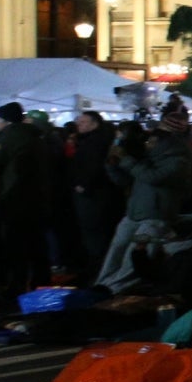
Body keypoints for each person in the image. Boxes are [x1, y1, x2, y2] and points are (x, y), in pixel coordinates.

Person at [98, 107, 192, 290]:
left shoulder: (179, 157)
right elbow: (127, 180)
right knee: (115, 254)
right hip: (135, 211)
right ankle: (101, 287)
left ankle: (114, 292)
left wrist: (126, 160)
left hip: (156, 215)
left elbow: (153, 177)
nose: (150, 140)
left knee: (132, 262)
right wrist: (112, 165)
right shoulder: (149, 155)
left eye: (156, 136)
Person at [0, 102, 52, 306]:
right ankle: (42, 285)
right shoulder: (36, 136)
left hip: (14, 199)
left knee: (16, 248)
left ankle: (16, 289)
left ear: (5, 120)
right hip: (37, 200)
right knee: (37, 246)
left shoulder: (9, 137)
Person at [68, 110, 122, 278]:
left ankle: (98, 271)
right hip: (100, 194)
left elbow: (94, 166)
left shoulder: (94, 142)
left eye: (83, 122)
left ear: (94, 123)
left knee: (94, 233)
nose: (79, 125)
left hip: (93, 195)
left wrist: (83, 185)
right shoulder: (98, 139)